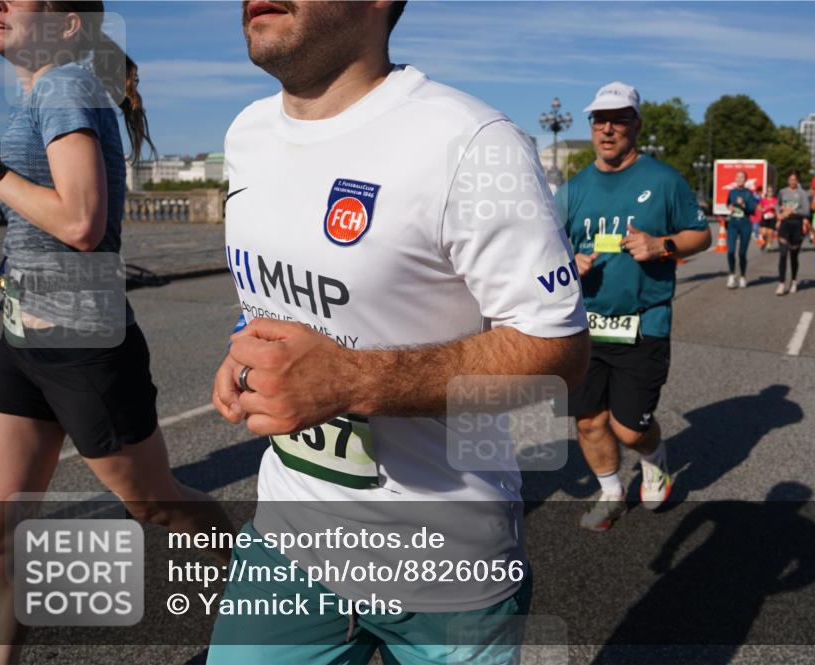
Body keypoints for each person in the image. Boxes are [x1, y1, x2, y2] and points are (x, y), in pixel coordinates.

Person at [208, 2, 590, 663]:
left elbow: (559, 352)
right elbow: (278, 297)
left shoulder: (471, 142)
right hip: (289, 540)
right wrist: (247, 351)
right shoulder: (245, 134)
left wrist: (351, 381)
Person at [0, 3, 233, 662]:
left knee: (154, 505)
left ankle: (257, 579)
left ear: (65, 27)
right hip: (22, 343)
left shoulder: (64, 86)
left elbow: (82, 221)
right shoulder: (42, 90)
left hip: (83, 343)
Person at [558, 81, 711, 531]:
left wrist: (661, 244)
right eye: (599, 120)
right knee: (588, 422)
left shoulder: (664, 180)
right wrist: (568, 260)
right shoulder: (573, 188)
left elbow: (701, 235)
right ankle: (610, 493)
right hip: (585, 325)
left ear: (636, 125)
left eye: (619, 120)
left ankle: (653, 454)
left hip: (643, 324)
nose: (607, 129)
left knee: (627, 428)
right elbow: (544, 246)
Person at [775, 172, 811, 296]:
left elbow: (806, 211)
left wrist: (793, 211)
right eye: (790, 179)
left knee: (794, 256)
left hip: (796, 225)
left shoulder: (802, 194)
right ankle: (781, 283)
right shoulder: (782, 192)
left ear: (797, 181)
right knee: (783, 254)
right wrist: (778, 214)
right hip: (784, 225)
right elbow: (777, 204)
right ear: (787, 180)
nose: (792, 182)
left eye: (795, 180)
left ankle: (794, 281)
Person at [724, 170, 756, 289]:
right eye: (737, 177)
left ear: (745, 180)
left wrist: (743, 205)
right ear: (735, 179)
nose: (739, 179)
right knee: (730, 251)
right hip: (733, 223)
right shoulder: (732, 192)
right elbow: (728, 204)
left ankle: (742, 276)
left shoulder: (748, 193)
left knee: (742, 253)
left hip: (745, 224)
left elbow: (752, 210)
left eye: (742, 177)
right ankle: (732, 275)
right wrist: (730, 207)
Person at [758, 185, 778, 252]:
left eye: (771, 191)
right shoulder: (763, 200)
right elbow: (759, 207)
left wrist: (774, 207)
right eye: (768, 191)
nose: (770, 192)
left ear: (773, 192)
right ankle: (765, 242)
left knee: (770, 233)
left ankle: (769, 245)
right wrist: (762, 209)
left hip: (772, 218)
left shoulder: (775, 200)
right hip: (765, 217)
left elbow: (778, 208)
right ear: (766, 192)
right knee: (763, 233)